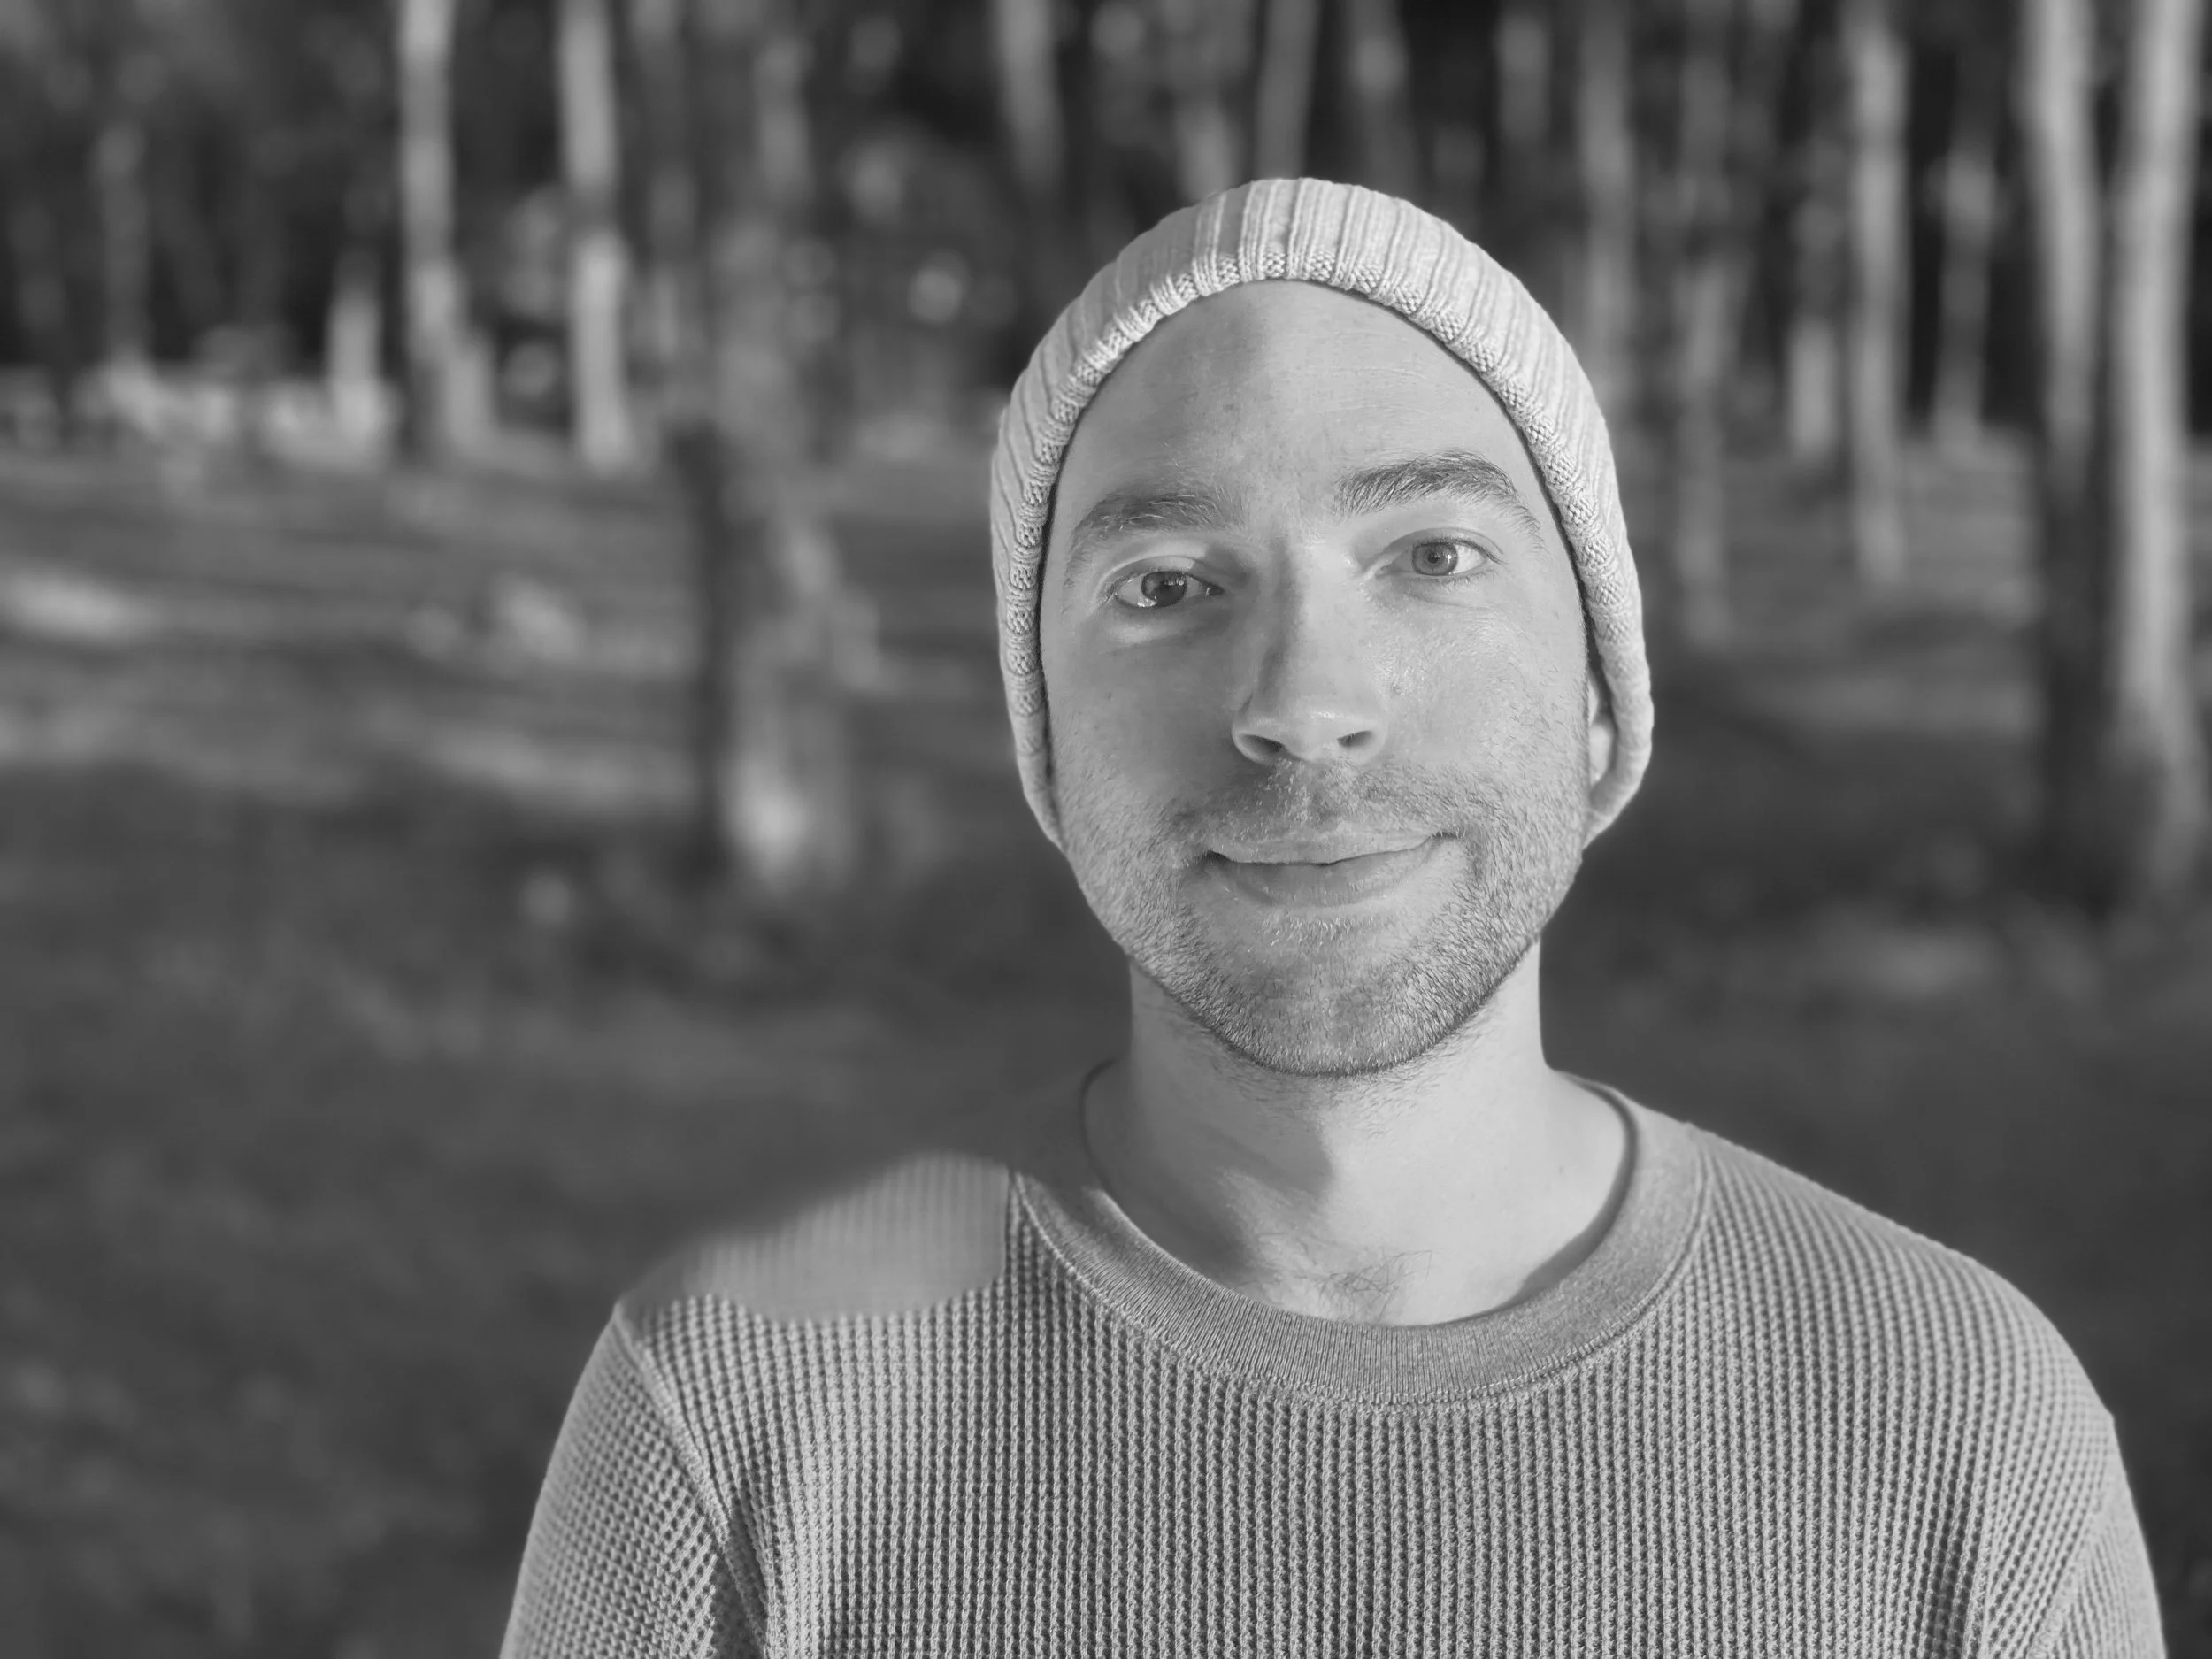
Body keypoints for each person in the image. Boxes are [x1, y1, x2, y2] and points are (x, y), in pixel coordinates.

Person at [499, 179, 2162, 1656]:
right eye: (1164, 586)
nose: (1303, 703)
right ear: (1045, 743)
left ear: (1600, 693)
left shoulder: (1963, 1433)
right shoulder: (734, 1417)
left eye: (1430, 554)